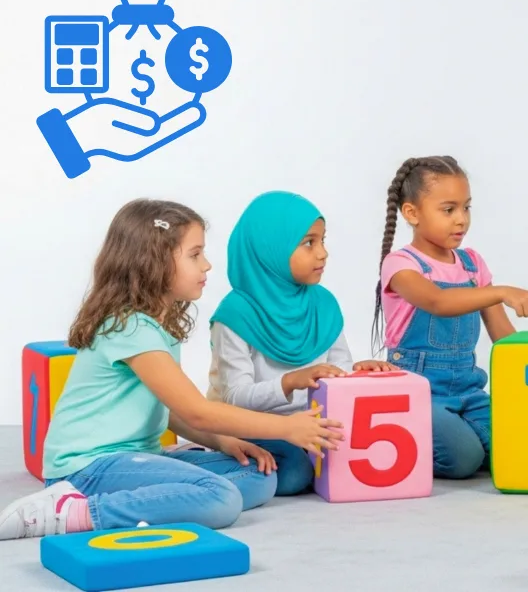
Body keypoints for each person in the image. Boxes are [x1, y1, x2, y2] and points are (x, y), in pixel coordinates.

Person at [0, 199, 342, 540]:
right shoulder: (131, 328)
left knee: (260, 476)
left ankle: (162, 496)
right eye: (195, 255)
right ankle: (72, 511)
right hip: (86, 468)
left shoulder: (156, 326)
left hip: (134, 457)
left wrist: (222, 442)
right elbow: (197, 412)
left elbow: (172, 411)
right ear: (155, 263)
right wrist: (287, 428)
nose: (207, 265)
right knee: (221, 499)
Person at [372, 156, 528, 478]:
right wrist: (500, 291)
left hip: (470, 392)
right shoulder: (401, 265)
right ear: (412, 213)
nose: (461, 220)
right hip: (419, 392)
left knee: (519, 449)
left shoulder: (472, 265)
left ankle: (461, 432)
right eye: (448, 210)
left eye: (466, 208)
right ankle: (400, 438)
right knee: (464, 460)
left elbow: (503, 337)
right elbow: (438, 301)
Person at [208, 190, 395, 496]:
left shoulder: (323, 304)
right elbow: (235, 399)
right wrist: (291, 381)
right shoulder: (235, 315)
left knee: (369, 451)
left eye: (322, 241)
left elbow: (337, 370)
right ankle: (208, 466)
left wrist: (357, 372)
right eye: (309, 243)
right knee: (295, 473)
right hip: (257, 426)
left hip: (314, 424)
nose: (323, 253)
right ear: (271, 248)